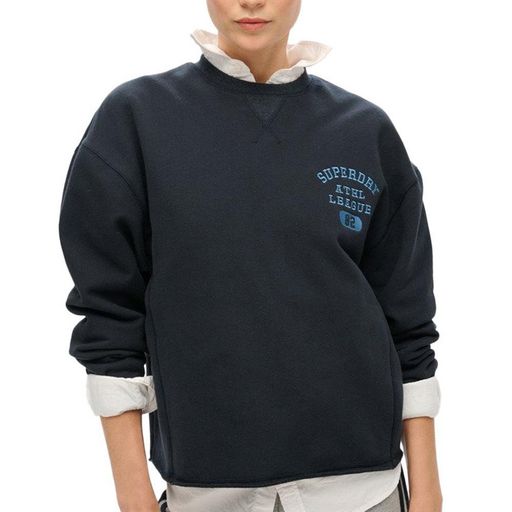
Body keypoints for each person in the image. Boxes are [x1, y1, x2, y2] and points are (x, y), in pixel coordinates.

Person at [58, 1, 443, 511]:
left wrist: (428, 490)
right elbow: (109, 320)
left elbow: (407, 325)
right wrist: (134, 497)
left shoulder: (364, 130)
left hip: (366, 491)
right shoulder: (136, 119)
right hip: (211, 493)